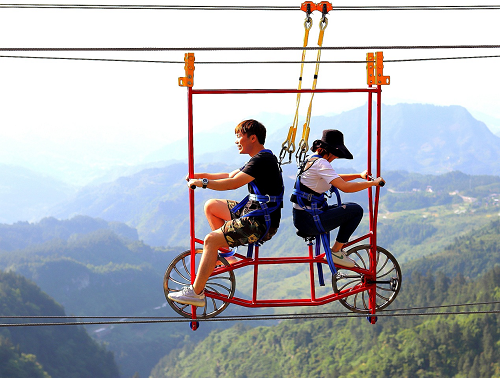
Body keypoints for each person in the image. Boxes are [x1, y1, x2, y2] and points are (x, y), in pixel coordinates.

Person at [168, 119, 284, 307]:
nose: (237, 141)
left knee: (210, 240)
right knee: (211, 206)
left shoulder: (262, 160)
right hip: (254, 213)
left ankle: (196, 293)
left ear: (252, 138)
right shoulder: (260, 158)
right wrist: (199, 176)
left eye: (239, 136)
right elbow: (229, 176)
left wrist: (203, 183)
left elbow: (232, 184)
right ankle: (227, 253)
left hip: (259, 223)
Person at [291, 129, 384, 267]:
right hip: (310, 219)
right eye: (334, 155)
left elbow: (335, 177)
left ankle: (337, 250)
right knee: (356, 210)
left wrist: (358, 175)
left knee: (349, 207)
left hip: (304, 216)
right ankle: (336, 251)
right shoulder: (322, 164)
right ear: (327, 151)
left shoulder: (312, 160)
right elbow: (345, 187)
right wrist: (373, 183)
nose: (335, 158)